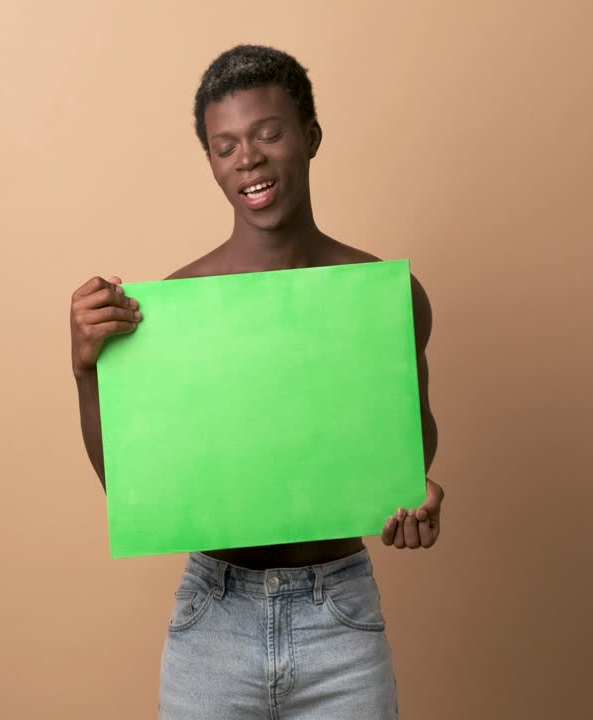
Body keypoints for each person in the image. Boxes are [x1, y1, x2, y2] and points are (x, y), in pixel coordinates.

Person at [69, 44, 444, 719]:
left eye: (268, 133)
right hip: (213, 619)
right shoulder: (168, 313)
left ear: (310, 136)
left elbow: (407, 454)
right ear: (211, 161)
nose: (248, 158)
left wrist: (414, 499)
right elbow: (131, 488)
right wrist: (86, 373)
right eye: (225, 145)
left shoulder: (384, 298)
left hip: (342, 619)